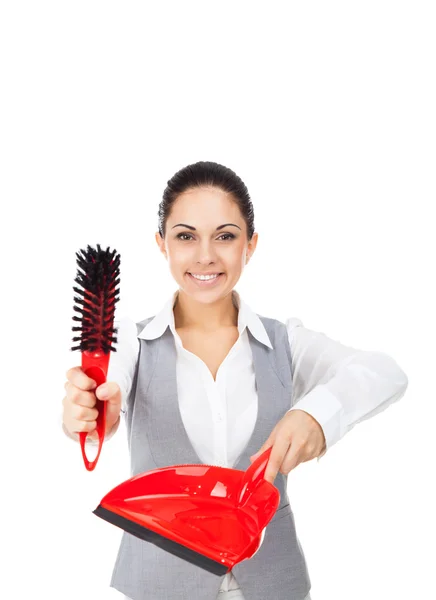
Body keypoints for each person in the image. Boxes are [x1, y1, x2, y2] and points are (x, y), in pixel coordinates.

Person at [62, 161, 408, 600]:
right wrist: (90, 412)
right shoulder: (132, 342)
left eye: (225, 236)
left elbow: (385, 372)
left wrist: (315, 417)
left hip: (274, 584)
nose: (205, 255)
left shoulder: (285, 343)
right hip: (160, 585)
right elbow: (100, 392)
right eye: (185, 236)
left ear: (251, 245)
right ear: (161, 244)